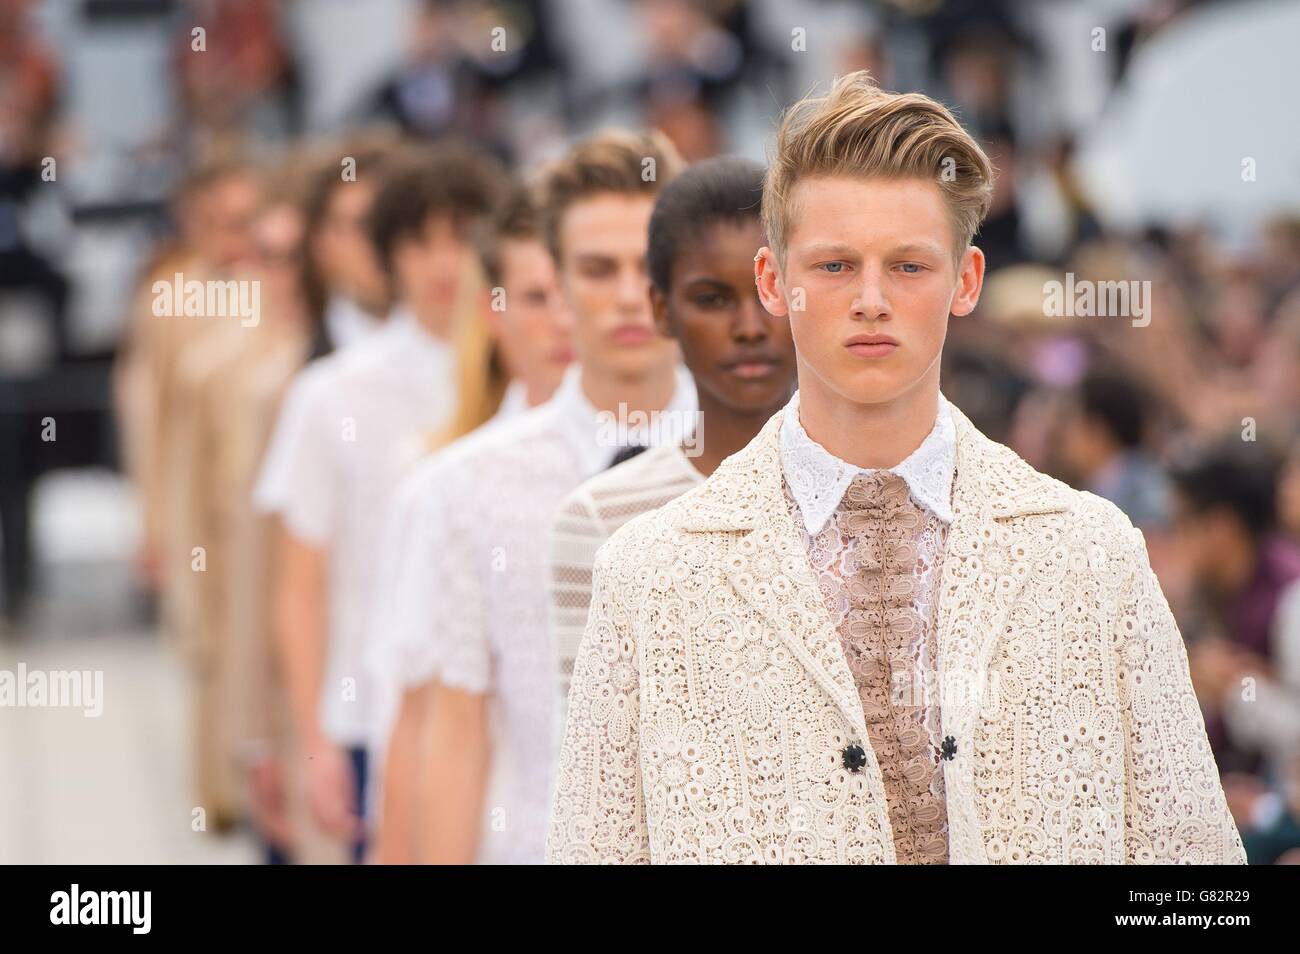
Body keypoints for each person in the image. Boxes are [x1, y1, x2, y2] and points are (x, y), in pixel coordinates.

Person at [547, 71, 1246, 864]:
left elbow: (1194, 875)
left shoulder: (1092, 555)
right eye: (835, 266)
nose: (871, 299)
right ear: (774, 283)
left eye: (909, 266)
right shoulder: (651, 577)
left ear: (966, 280)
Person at [390, 130, 693, 864]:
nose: (628, 295)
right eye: (597, 269)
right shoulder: (467, 486)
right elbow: (455, 730)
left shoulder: (763, 460)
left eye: (647, 266)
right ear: (555, 280)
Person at [253, 142, 504, 862]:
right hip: (368, 714)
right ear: (387, 255)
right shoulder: (328, 395)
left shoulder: (528, 386)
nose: (442, 264)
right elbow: (300, 586)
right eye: (419, 242)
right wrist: (313, 743)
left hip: (507, 724)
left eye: (461, 238)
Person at [548, 155, 796, 750]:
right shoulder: (600, 519)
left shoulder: (874, 493)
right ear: (663, 311)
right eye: (712, 299)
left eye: (771, 291)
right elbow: (597, 763)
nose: (749, 327)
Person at [370, 183, 573, 863]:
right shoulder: (442, 489)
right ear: (496, 312)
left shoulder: (702, 466)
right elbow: (417, 719)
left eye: (578, 286)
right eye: (538, 297)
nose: (566, 319)